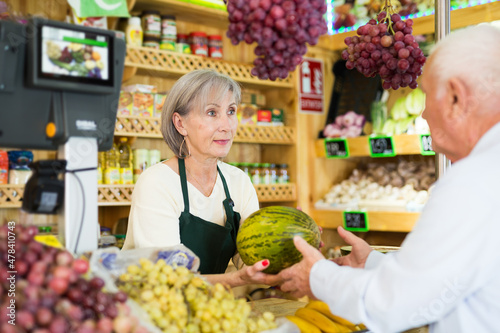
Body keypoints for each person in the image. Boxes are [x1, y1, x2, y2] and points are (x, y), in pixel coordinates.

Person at [274, 24, 500, 332]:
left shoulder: (473, 181)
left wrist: (317, 276)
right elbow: (440, 280)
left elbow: (394, 305)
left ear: (456, 98)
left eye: (425, 96)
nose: (422, 115)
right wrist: (373, 263)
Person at [122, 69, 272, 287]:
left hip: (207, 309)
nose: (226, 126)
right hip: (148, 308)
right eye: (212, 113)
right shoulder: (157, 183)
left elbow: (250, 258)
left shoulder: (238, 182)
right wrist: (233, 279)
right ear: (180, 124)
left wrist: (291, 250)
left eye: (231, 111)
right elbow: (168, 277)